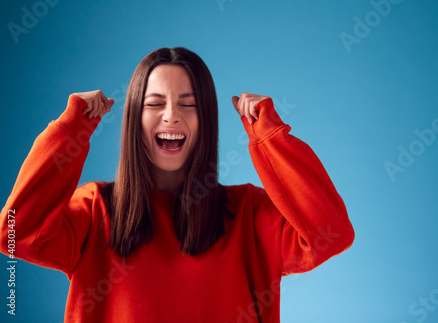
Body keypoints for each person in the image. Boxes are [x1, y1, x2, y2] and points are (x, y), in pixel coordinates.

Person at [0, 47, 354, 322]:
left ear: (208, 121)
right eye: (155, 104)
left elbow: (331, 234)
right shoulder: (95, 210)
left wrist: (269, 137)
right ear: (134, 120)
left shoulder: (248, 212)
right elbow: (15, 233)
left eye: (189, 104)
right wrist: (71, 131)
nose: (172, 115)